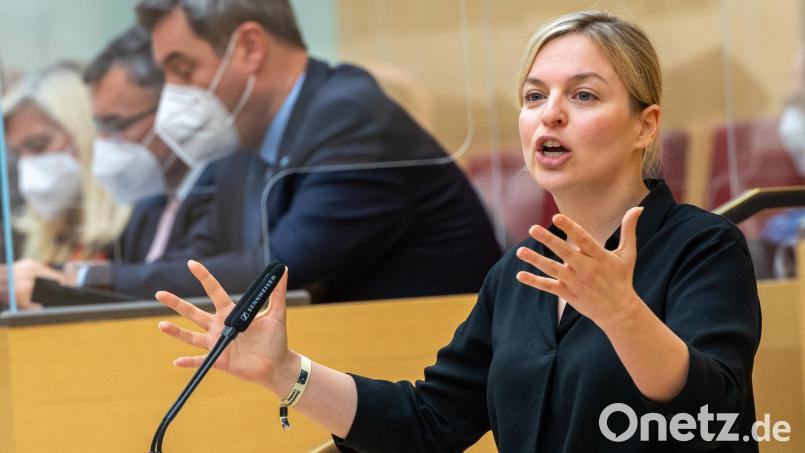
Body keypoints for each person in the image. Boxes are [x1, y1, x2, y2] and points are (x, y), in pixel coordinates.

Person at [155, 10, 762, 452]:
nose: (549, 112)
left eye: (582, 95)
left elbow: (709, 415)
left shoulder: (703, 247)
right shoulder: (519, 273)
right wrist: (286, 372)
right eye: (534, 95)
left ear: (644, 126)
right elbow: (430, 422)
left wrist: (622, 315)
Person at [102, 0, 502, 303]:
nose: (171, 94)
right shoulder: (239, 138)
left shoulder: (350, 117)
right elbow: (197, 258)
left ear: (249, 48)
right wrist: (78, 282)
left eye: (184, 70)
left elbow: (279, 272)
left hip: (432, 375)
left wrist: (100, 281)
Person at [0, 62, 131, 308]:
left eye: (39, 145)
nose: (29, 163)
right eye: (19, 154)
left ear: (83, 133)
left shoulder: (135, 222)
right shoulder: (35, 237)